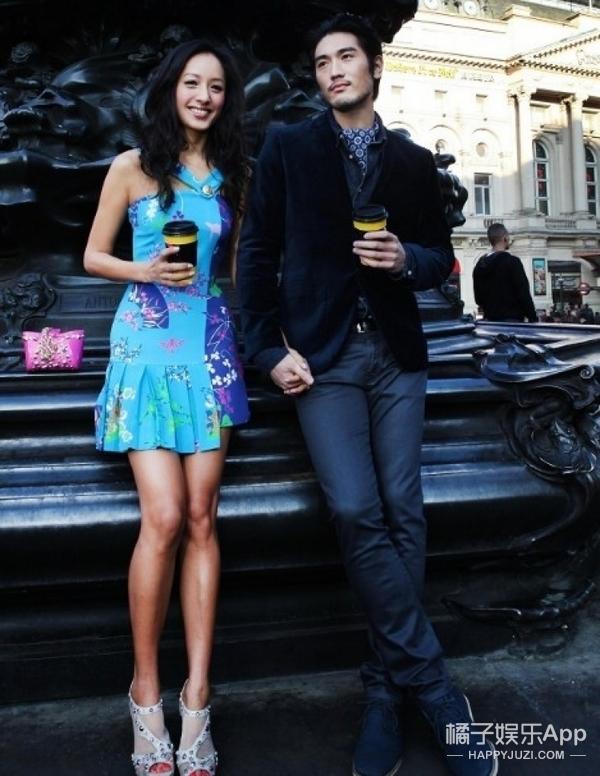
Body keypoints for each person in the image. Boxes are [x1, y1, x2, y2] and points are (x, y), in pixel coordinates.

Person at [237, 13, 496, 776]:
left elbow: (439, 258)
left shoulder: (411, 160)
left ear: (375, 67)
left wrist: (405, 258)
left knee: (404, 511)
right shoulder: (288, 146)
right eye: (322, 62)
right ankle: (435, 686)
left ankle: (384, 690)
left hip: (397, 355)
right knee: (356, 508)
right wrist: (264, 348)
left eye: (346, 57)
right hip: (323, 359)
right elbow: (257, 250)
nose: (334, 71)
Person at [84, 38, 249, 776]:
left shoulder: (234, 177)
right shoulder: (133, 167)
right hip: (146, 347)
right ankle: (145, 694)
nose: (203, 96)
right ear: (170, 89)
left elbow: (240, 270)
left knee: (203, 516)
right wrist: (143, 268)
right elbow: (92, 255)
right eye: (192, 82)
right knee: (165, 515)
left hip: (209, 347)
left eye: (216, 86)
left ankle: (198, 699)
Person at [473, 223, 537, 323]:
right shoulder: (513, 262)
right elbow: (523, 294)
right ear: (505, 238)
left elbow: (478, 299)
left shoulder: (479, 266)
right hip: (512, 322)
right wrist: (533, 318)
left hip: (490, 322)